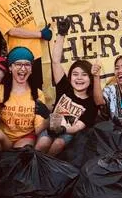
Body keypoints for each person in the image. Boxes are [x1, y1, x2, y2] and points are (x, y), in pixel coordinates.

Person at [35, 17, 100, 156]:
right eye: (75, 74)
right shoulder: (64, 87)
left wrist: (63, 129)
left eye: (84, 75)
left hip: (68, 133)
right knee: (43, 143)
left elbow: (77, 127)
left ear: (90, 79)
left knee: (58, 144)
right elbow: (56, 62)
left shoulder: (91, 103)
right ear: (69, 78)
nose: (79, 78)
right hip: (52, 127)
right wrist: (61, 34)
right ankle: (32, 168)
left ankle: (47, 169)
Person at [0, 46, 49, 149]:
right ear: (10, 68)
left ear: (31, 69)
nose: (23, 69)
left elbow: (38, 130)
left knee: (19, 153)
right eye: (18, 64)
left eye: (27, 64)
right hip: (4, 138)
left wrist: (47, 118)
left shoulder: (37, 94)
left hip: (25, 138)